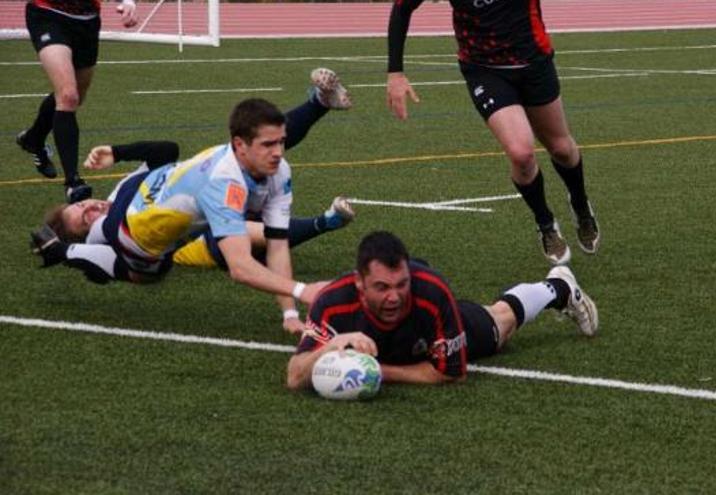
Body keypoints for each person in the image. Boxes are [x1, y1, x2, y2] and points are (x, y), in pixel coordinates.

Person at [30, 97, 333, 333]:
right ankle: (61, 250)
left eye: (281, 141)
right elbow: (240, 268)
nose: (279, 152)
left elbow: (276, 244)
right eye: (269, 144)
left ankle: (64, 248)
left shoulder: (278, 171)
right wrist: (304, 290)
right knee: (146, 275)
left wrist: (290, 313)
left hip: (143, 190)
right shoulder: (223, 185)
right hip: (132, 235)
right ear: (239, 145)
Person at [385, 0, 599, 265]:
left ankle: (580, 204)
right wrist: (395, 72)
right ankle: (546, 224)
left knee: (562, 149)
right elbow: (402, 7)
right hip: (484, 70)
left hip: (533, 62)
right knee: (521, 154)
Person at [286, 231, 598, 390]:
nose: (394, 297)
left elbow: (450, 375)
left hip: (429, 329)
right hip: (403, 335)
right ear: (359, 283)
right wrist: (329, 348)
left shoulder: (431, 293)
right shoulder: (332, 301)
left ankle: (559, 287)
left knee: (500, 323)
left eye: (401, 284)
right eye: (382, 287)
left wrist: (376, 371)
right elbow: (295, 376)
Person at [16, 0, 139, 203]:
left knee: (76, 96)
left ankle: (33, 139)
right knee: (68, 96)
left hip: (87, 21)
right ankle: (73, 183)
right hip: (48, 14)